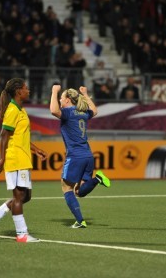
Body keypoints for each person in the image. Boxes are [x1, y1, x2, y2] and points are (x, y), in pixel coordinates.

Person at [0, 78, 47, 243]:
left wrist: (37, 150)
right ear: (18, 91)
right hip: (15, 158)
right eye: (26, 88)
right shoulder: (12, 110)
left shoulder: (21, 110)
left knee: (26, 196)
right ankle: (22, 234)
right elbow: (3, 136)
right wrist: (2, 159)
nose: (29, 91)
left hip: (23, 157)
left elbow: (21, 137)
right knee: (19, 197)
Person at [50, 84, 111, 228]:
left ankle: (80, 221)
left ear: (67, 100)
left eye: (61, 98)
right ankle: (97, 179)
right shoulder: (82, 113)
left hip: (75, 156)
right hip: (88, 155)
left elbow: (53, 110)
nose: (60, 100)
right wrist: (85, 94)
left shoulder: (69, 113)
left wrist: (54, 91)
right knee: (79, 191)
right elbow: (94, 111)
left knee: (66, 188)